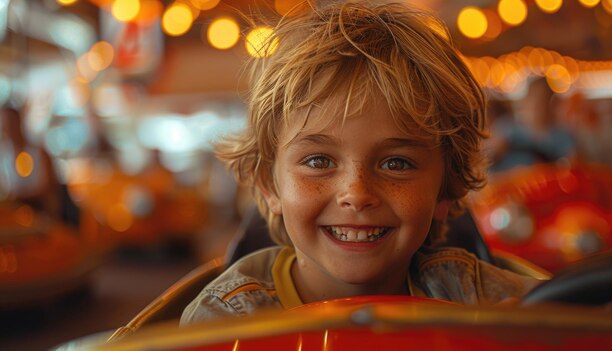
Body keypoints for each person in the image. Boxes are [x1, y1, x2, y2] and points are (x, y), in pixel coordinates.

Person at [181, 1, 538, 324]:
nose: (357, 193)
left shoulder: (476, 296)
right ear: (269, 185)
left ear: (446, 190)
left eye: (396, 164)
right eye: (319, 160)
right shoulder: (227, 321)